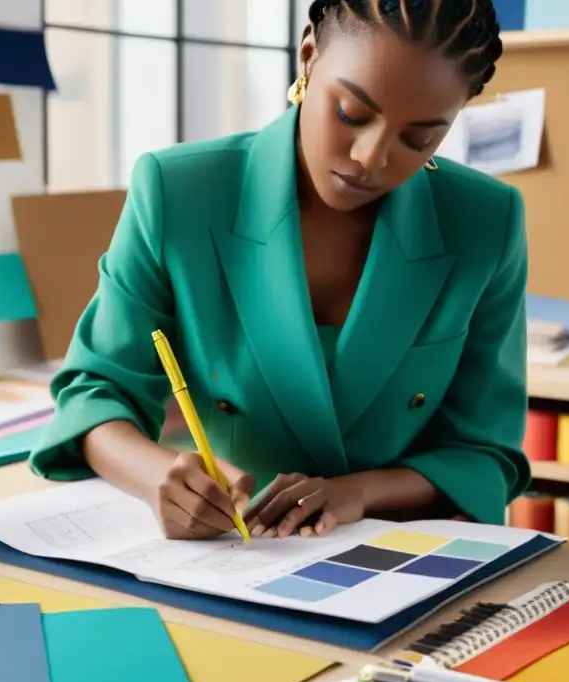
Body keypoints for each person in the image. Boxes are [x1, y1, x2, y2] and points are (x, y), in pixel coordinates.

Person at [29, 0, 530, 541]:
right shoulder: (178, 192)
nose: (370, 156)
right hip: (226, 545)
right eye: (352, 113)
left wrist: (357, 491)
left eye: (419, 138)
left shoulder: (485, 221)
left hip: (395, 552)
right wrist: (161, 479)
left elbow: (485, 451)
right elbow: (95, 390)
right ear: (309, 56)